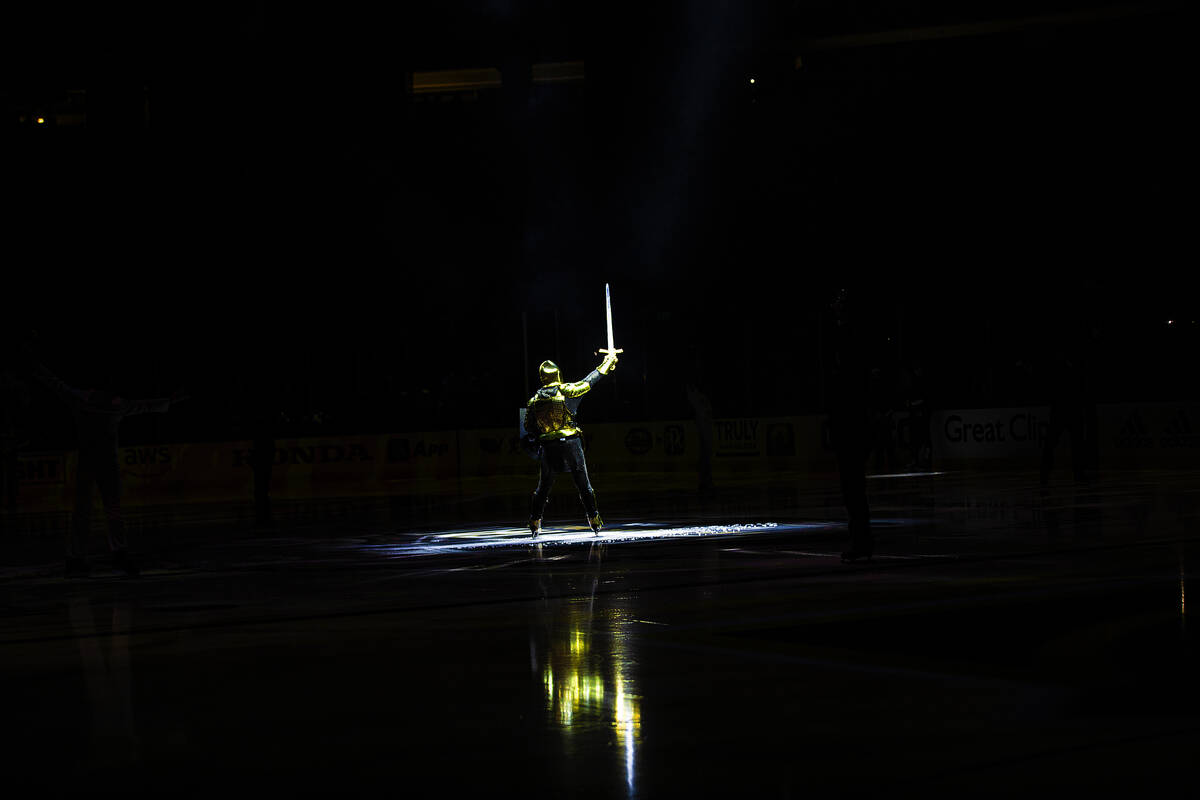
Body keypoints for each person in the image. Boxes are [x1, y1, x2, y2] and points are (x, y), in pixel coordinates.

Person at [27, 355, 186, 577]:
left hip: (92, 461)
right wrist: (170, 401)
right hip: (100, 461)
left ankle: (84, 556)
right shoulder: (109, 404)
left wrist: (37, 369)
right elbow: (143, 406)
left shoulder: (89, 401)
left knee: (91, 509)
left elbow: (56, 385)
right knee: (104, 508)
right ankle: (104, 554)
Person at [523, 353, 618, 536]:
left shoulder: (534, 401)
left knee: (543, 487)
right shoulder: (565, 391)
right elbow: (588, 382)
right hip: (571, 444)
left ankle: (535, 521)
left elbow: (528, 426)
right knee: (583, 484)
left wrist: (544, 434)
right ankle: (594, 518)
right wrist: (606, 365)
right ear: (557, 375)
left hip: (548, 446)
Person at [823, 288, 874, 562]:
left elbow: (846, 386)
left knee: (853, 487)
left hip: (851, 423)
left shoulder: (848, 342)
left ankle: (861, 540)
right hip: (852, 422)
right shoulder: (852, 341)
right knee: (853, 488)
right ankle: (861, 538)